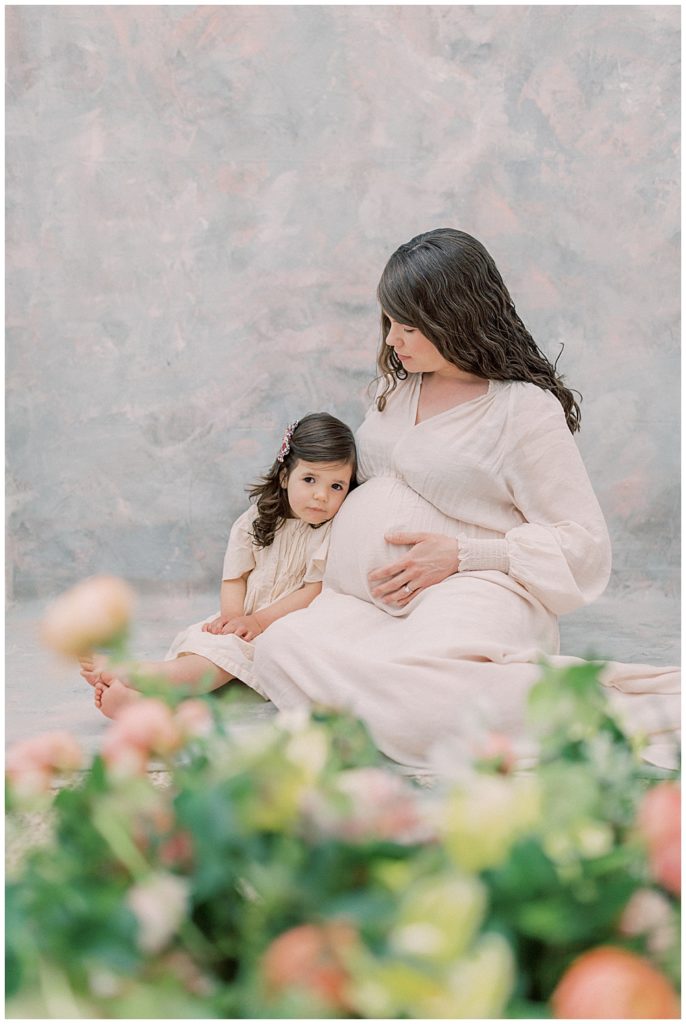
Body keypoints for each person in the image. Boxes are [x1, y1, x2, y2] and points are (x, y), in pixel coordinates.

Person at [248, 229, 679, 771]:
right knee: (276, 649)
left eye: (407, 328)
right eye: (388, 324)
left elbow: (583, 547)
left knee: (421, 708)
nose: (392, 342)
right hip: (362, 605)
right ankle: (424, 699)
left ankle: (603, 707)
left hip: (474, 589)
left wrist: (463, 555)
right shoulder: (396, 389)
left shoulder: (523, 411)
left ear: (456, 319)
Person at [80, 413, 357, 717]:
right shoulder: (258, 519)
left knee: (225, 667)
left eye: (336, 486)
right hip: (245, 621)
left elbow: (313, 590)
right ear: (284, 476)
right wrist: (233, 617)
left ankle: (140, 677)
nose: (321, 495)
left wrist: (259, 623)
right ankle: (144, 702)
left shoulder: (332, 531)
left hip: (282, 629)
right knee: (213, 651)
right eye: (310, 480)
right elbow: (235, 578)